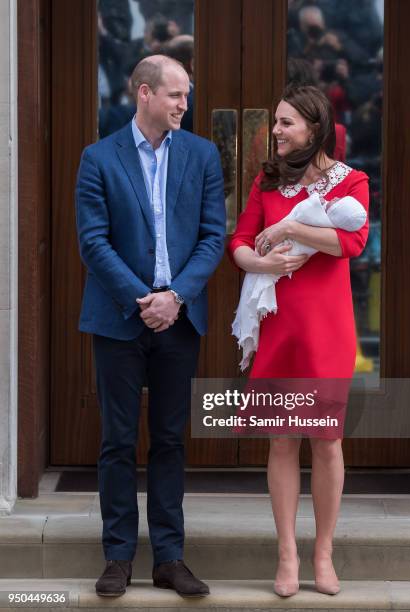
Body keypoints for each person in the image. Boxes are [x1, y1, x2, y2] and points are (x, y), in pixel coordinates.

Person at [76, 55, 225, 598]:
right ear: (144, 93)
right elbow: (93, 241)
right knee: (117, 441)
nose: (185, 104)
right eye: (176, 95)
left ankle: (169, 557)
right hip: (119, 320)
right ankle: (117, 558)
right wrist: (144, 300)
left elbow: (213, 237)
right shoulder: (98, 158)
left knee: (168, 440)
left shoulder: (203, 155)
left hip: (179, 324)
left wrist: (176, 297)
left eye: (186, 95)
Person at [228, 85, 369, 597]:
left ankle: (323, 555)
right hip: (279, 329)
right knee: (283, 439)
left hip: (326, 330)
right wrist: (259, 262)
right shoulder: (265, 181)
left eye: (286, 123)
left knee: (327, 442)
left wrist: (291, 226)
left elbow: (351, 241)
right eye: (276, 122)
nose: (277, 132)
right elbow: (240, 242)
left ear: (315, 127)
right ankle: (286, 554)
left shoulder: (352, 181)